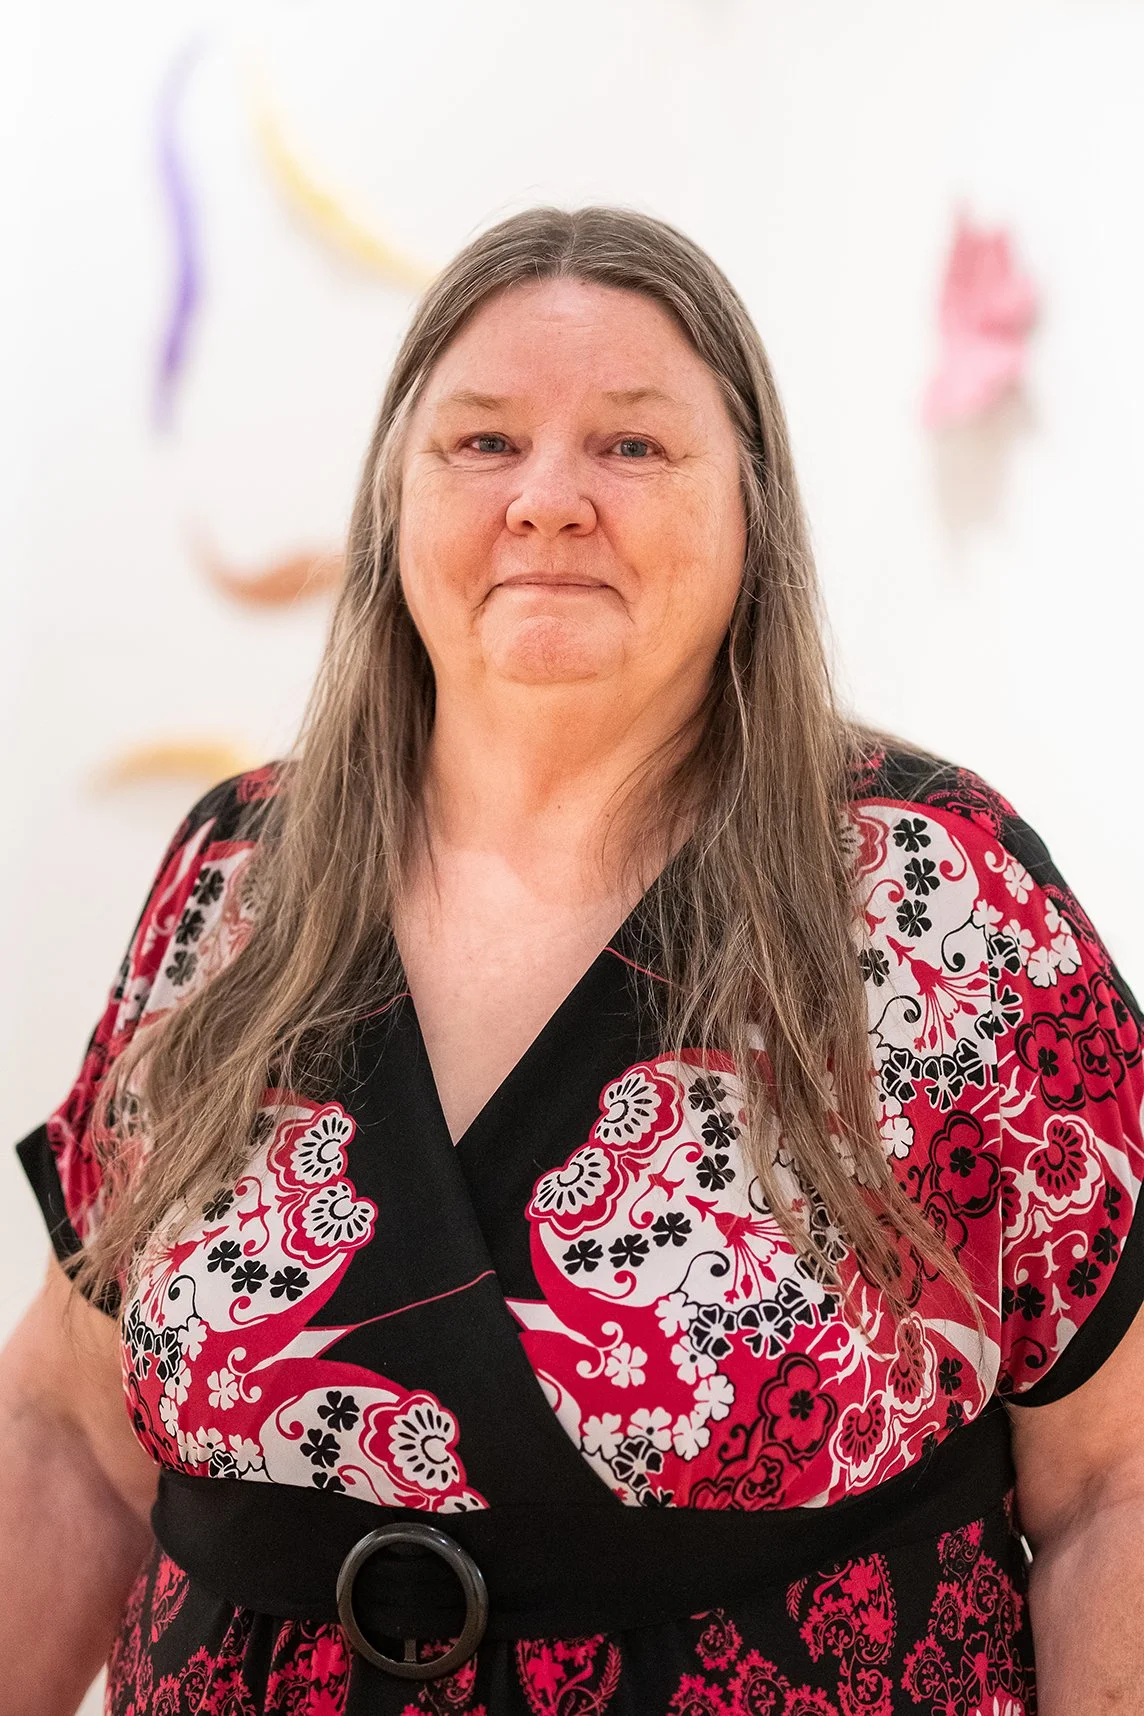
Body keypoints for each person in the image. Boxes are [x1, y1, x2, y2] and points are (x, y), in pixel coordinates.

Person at [3, 206, 1143, 1716]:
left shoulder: (938, 893)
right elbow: (70, 1434)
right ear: (391, 505)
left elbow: (1117, 1480)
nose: (548, 499)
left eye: (632, 446)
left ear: (751, 509)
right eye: (481, 444)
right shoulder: (237, 881)